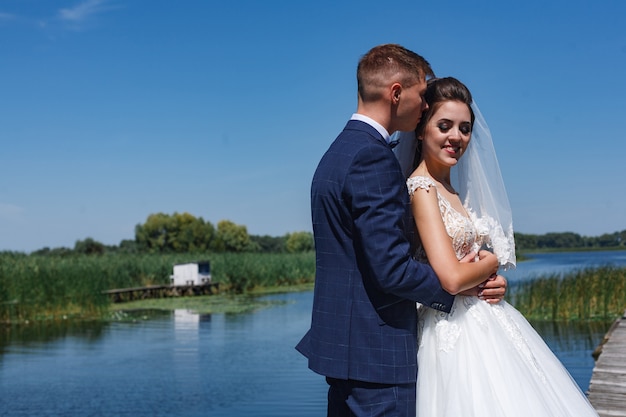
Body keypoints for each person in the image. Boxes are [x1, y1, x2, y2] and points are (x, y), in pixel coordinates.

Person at [296, 44, 507, 417]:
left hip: (346, 353)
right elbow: (391, 267)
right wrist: (463, 283)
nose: (424, 105)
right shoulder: (372, 158)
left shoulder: (337, 153)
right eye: (422, 95)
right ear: (396, 93)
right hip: (377, 354)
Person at [402, 76, 599, 416]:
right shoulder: (422, 188)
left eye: (465, 129)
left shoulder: (450, 188)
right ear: (421, 130)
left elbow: (462, 266)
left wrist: (492, 283)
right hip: (451, 330)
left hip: (484, 319)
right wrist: (490, 263)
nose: (456, 137)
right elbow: (450, 277)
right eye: (444, 125)